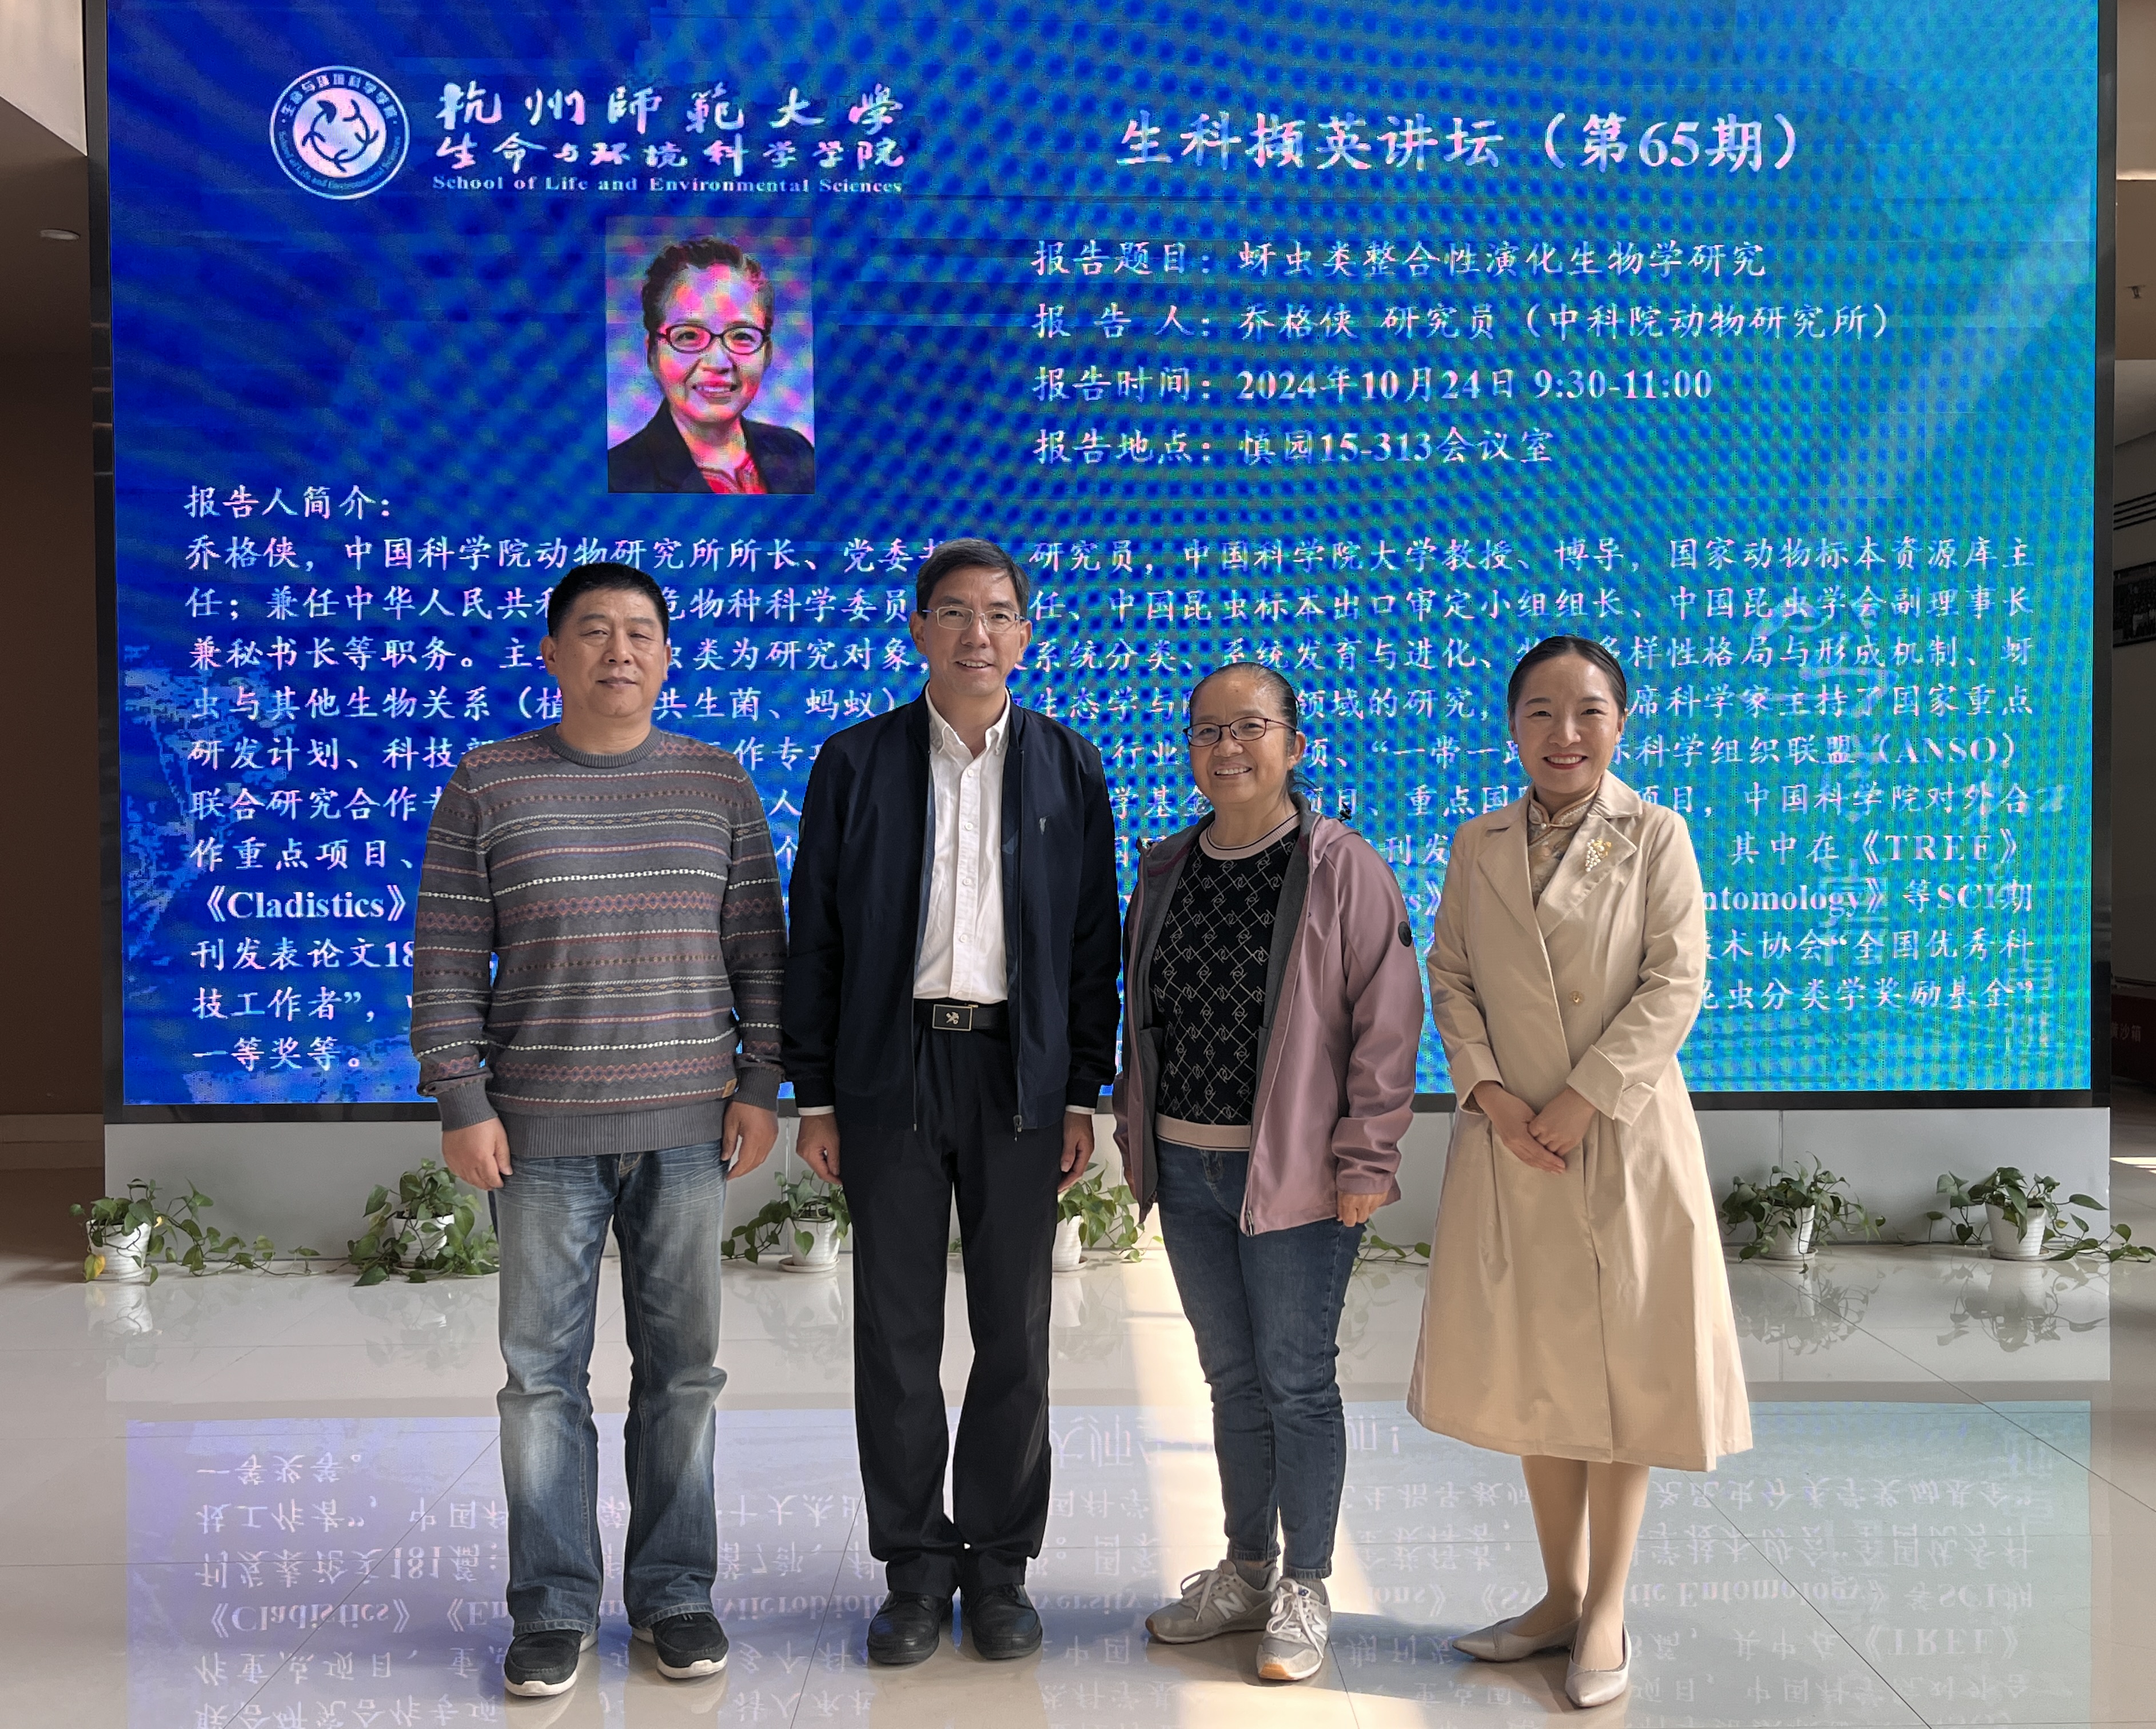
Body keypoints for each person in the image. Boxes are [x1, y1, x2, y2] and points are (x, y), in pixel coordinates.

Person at [409, 562, 786, 1699]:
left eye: (639, 633)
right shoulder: (488, 782)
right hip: (538, 1136)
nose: (618, 651)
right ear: (552, 653)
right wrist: (462, 1097)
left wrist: (760, 1081)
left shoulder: (717, 781)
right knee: (541, 1379)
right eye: (593, 631)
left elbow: (758, 953)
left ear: (667, 656)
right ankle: (553, 1604)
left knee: (683, 1374)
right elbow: (446, 955)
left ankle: (675, 1591)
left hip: (687, 1130)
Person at [783, 537, 1121, 1667]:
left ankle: (1000, 1563)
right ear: (918, 629)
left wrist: (1080, 1090)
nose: (979, 632)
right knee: (895, 1332)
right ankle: (917, 1566)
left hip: (1017, 1075)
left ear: (1025, 633)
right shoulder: (856, 762)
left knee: (1015, 1330)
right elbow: (816, 933)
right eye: (955, 612)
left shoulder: (1069, 767)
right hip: (890, 1068)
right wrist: (815, 1094)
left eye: (999, 612)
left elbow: (1091, 945)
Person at [1409, 635, 1749, 1710]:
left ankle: (1606, 1606)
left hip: (1623, 1132)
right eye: (1541, 712)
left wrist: (1584, 1096)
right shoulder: (1476, 843)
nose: (1565, 733)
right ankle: (1555, 1594)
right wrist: (1489, 1092)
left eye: (1588, 710)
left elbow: (1675, 979)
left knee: (1625, 1369)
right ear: (1512, 727)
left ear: (1621, 722)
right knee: (1539, 1366)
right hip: (1512, 1138)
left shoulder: (1656, 834)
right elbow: (1450, 974)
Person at [1112, 663, 1424, 1682]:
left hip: (1296, 1174)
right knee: (1230, 1379)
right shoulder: (1166, 867)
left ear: (1295, 744)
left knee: (1296, 1380)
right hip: (1185, 1166)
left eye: (1250, 727)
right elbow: (1144, 1015)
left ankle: (1308, 1582)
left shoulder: (1341, 867)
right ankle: (1247, 1568)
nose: (1227, 748)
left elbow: (1387, 1024)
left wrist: (1367, 1154)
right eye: (1207, 730)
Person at [607, 236, 815, 495]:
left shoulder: (796, 453)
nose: (718, 363)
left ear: (767, 353)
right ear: (652, 353)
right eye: (688, 336)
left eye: (742, 336)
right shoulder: (617, 480)